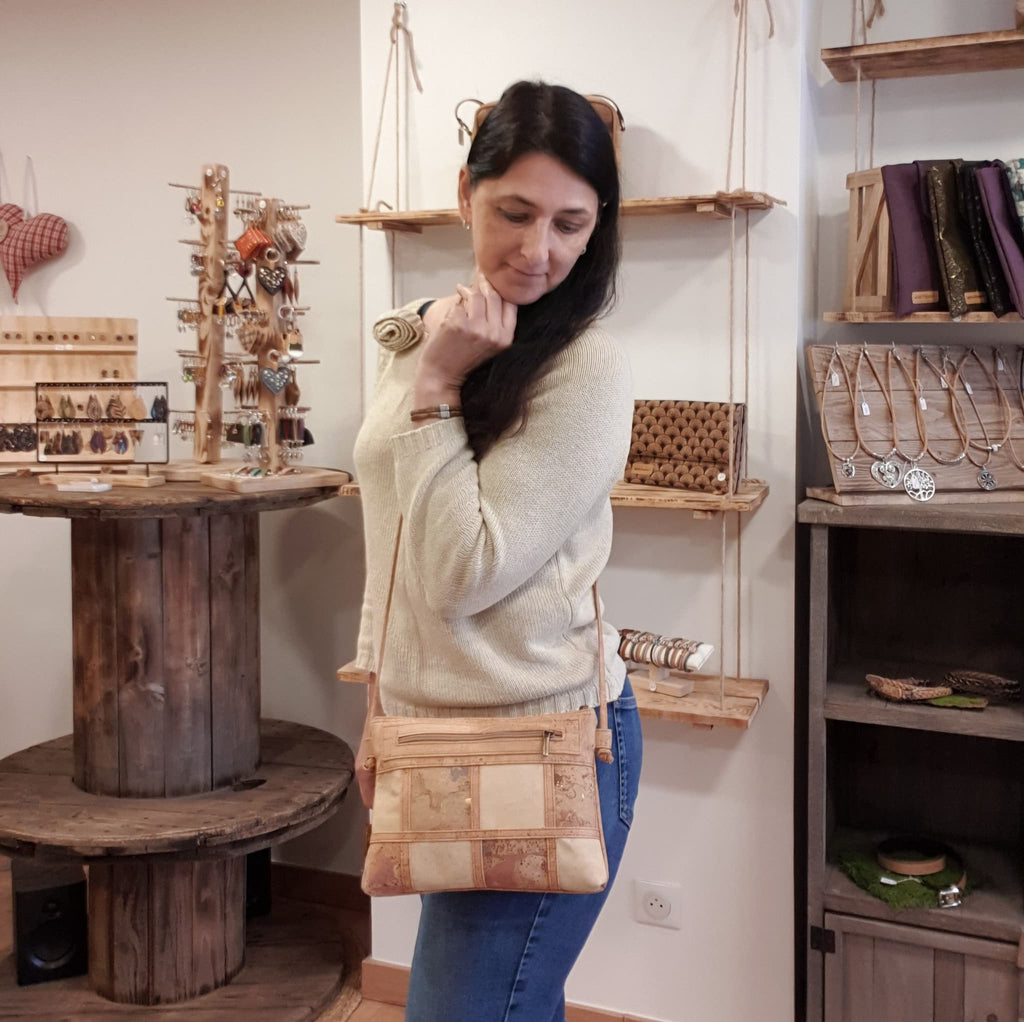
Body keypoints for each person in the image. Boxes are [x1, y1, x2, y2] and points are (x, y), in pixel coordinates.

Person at [351, 79, 642, 1022]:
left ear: (599, 226)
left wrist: (437, 384)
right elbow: (391, 537)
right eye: (513, 213)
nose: (538, 250)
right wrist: (378, 702)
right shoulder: (434, 330)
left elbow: (461, 574)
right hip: (437, 735)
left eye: (570, 223)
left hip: (542, 739)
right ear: (465, 191)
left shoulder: (584, 367)